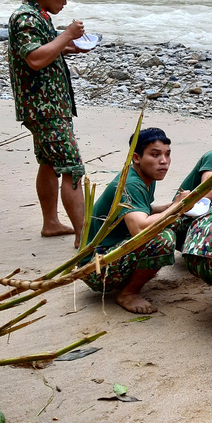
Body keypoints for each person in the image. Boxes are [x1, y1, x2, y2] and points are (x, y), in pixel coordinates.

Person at [8, 0, 91, 247]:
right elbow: (34, 58)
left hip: (48, 105)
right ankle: (84, 236)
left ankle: (51, 223)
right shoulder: (26, 18)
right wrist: (67, 35)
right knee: (72, 167)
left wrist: (70, 47)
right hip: (44, 107)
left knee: (48, 162)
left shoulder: (38, 15)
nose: (65, 1)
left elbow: (46, 48)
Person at [79, 128, 187, 314]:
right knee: (162, 237)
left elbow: (141, 210)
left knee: (178, 219)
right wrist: (176, 206)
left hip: (109, 255)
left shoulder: (145, 175)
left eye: (167, 154)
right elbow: (139, 227)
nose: (164, 161)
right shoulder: (131, 183)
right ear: (136, 157)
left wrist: (172, 207)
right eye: (155, 154)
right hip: (95, 268)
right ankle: (128, 293)